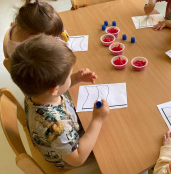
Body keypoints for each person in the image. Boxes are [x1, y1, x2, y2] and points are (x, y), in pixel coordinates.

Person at [10, 34, 109, 168]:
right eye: (68, 76)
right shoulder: (55, 127)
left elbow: (54, 89)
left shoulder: (34, 90)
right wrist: (97, 119)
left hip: (63, 138)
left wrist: (76, 78)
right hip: (70, 156)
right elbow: (78, 158)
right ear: (54, 88)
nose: (70, 77)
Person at [3, 0, 68, 58]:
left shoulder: (22, 25)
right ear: (33, 37)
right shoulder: (24, 53)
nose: (54, 37)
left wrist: (58, 31)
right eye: (51, 36)